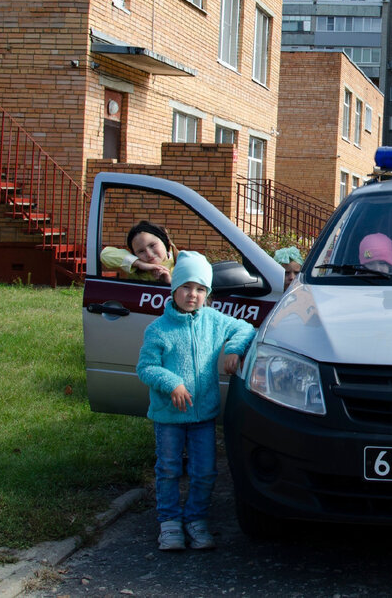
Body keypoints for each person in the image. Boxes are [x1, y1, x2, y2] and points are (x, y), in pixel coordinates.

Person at [136, 251, 255, 551]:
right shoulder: (158, 330)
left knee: (204, 471)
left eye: (201, 289)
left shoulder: (213, 321)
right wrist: (172, 382)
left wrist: (234, 349)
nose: (193, 294)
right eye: (187, 286)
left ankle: (196, 520)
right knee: (169, 470)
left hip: (203, 416)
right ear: (174, 288)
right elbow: (146, 368)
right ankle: (170, 523)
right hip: (169, 417)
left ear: (208, 293)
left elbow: (245, 328)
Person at [100, 220, 176, 284]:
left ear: (164, 241)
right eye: (141, 251)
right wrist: (139, 264)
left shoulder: (182, 262)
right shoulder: (134, 266)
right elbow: (104, 254)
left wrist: (168, 282)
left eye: (152, 245)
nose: (149, 254)